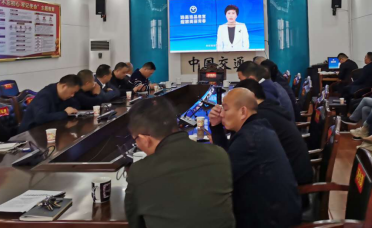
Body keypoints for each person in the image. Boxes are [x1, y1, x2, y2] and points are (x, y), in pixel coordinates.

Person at [125, 97, 235, 228]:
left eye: (135, 139)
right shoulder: (219, 155)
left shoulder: (139, 172)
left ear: (145, 139)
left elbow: (135, 223)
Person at [209, 88, 302, 228]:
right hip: (275, 210)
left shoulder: (249, 140)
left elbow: (222, 178)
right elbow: (226, 158)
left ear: (243, 112)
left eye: (225, 109)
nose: (221, 114)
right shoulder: (257, 127)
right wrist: (216, 127)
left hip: (272, 219)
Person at [236, 79, 313, 186]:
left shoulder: (261, 117)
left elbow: (240, 154)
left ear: (251, 96)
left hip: (293, 183)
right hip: (295, 173)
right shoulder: (270, 108)